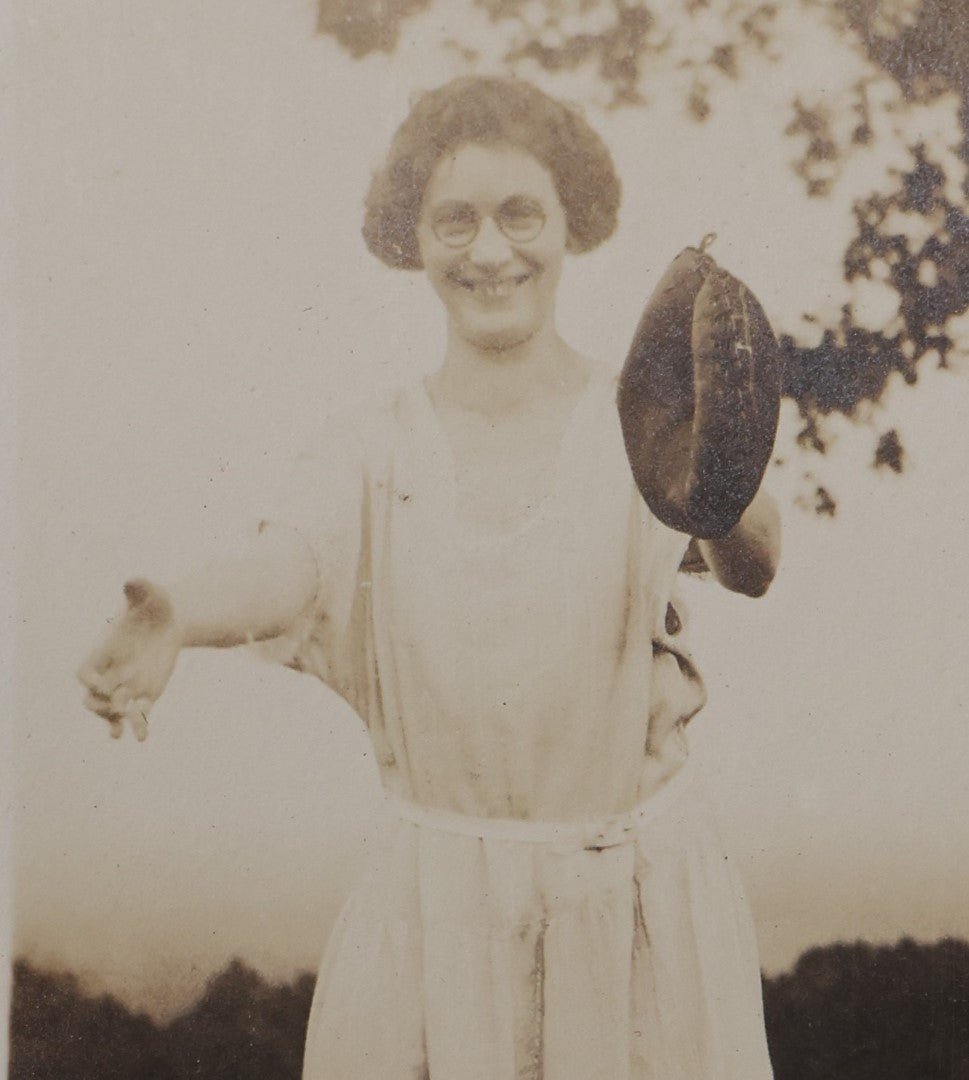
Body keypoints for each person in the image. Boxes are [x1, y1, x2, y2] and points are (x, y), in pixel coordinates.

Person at [78, 76, 780, 1079]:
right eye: (455, 220)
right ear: (412, 237)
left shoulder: (638, 418)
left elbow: (753, 563)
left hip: (638, 915)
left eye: (520, 213)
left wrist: (721, 468)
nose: (489, 252)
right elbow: (288, 570)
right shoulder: (369, 448)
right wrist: (179, 614)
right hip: (434, 927)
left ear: (571, 224)